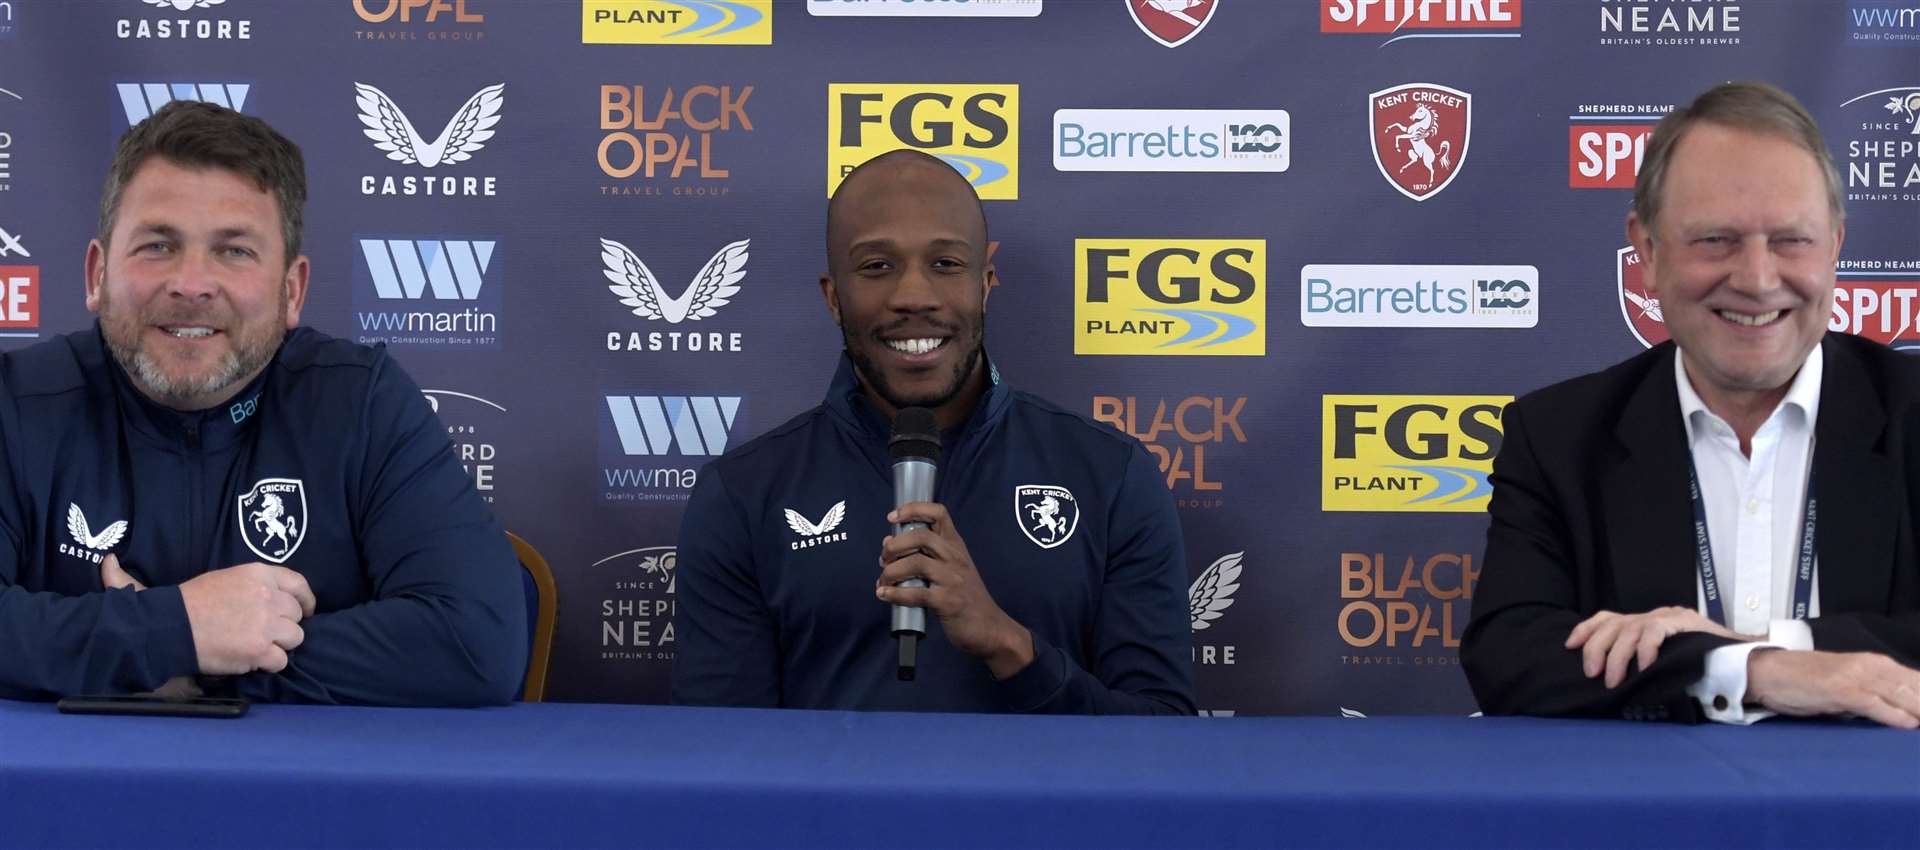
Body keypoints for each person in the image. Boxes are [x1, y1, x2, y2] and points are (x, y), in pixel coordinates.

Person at [0, 101, 526, 705]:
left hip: (308, 799)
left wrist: (207, 662)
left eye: (235, 251)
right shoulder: (18, 403)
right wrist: (175, 632)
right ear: (97, 274)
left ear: (291, 289)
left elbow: (478, 642)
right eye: (157, 245)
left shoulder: (361, 403)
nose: (192, 284)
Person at [1464, 81, 1920, 727]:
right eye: (1716, 241)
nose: (1758, 280)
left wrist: (1771, 651)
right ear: (1646, 251)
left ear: (1837, 247)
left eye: (1792, 240)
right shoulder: (1558, 436)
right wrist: (1753, 672)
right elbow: (1509, 657)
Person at [672, 150, 1194, 713]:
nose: (913, 296)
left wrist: (1008, 645)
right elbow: (721, 759)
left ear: (985, 284)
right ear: (832, 298)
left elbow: (1161, 740)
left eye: (945, 264)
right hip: (833, 807)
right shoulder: (743, 494)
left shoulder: (1111, 475)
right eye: (876, 266)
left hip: (1042, 805)